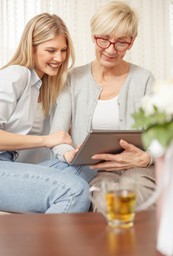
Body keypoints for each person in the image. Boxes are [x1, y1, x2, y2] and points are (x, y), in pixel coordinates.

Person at [50, 1, 156, 205]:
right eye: (104, 39)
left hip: (138, 168)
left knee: (137, 187)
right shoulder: (73, 79)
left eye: (121, 42)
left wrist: (147, 158)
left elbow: (163, 135)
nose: (111, 49)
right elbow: (58, 134)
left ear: (131, 42)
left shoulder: (144, 79)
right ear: (93, 36)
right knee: (103, 196)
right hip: (95, 170)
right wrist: (68, 153)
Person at [0, 13, 96, 214]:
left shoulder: (48, 87)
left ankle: (35, 233)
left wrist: (68, 152)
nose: (59, 58)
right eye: (51, 50)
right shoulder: (16, 75)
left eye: (63, 50)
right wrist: (47, 140)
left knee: (86, 167)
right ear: (31, 48)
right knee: (75, 191)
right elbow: (48, 140)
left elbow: (57, 140)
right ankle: (42, 245)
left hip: (11, 166)